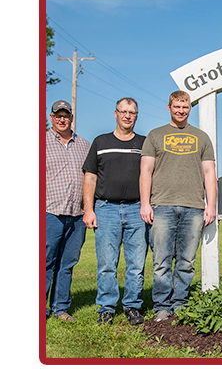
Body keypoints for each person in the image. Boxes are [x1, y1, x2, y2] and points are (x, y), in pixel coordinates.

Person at [140, 90, 216, 322]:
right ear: (169, 107)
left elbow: (209, 172)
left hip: (193, 206)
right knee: (161, 260)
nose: (181, 111)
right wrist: (145, 203)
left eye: (185, 107)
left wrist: (210, 205)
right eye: (177, 107)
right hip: (162, 205)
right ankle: (162, 306)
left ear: (190, 108)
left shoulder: (201, 137)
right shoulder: (155, 135)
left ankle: (180, 303)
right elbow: (146, 171)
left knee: (186, 260)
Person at [82, 98, 149, 325]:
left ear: (136, 116)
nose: (127, 116)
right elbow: (90, 177)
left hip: (136, 209)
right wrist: (88, 210)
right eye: (123, 112)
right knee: (107, 265)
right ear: (115, 114)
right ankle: (107, 308)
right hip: (106, 208)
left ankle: (132, 306)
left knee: (136, 265)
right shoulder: (101, 142)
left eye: (132, 112)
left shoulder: (144, 143)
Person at [46, 100, 91, 321]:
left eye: (66, 116)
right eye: (57, 116)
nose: (62, 119)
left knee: (68, 263)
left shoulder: (84, 144)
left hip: (77, 215)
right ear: (51, 117)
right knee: (46, 261)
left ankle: (60, 308)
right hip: (50, 211)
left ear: (71, 118)